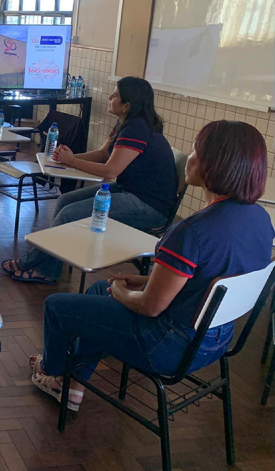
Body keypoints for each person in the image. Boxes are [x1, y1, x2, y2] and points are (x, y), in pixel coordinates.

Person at [30, 120, 273, 411]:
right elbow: (208, 281)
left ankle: (52, 370)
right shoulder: (261, 220)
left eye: (195, 151)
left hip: (167, 346)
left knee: (56, 307)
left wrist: (121, 291)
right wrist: (148, 281)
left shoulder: (191, 232)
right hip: (216, 340)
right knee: (98, 291)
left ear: (214, 164)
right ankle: (72, 387)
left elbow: (150, 307)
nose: (189, 158)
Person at [3, 76, 178, 284]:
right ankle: (49, 268)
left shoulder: (136, 129)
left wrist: (72, 161)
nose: (110, 98)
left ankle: (30, 263)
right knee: (64, 201)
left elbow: (110, 170)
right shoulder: (126, 123)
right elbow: (104, 154)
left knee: (69, 214)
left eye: (115, 96)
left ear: (127, 106)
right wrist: (68, 159)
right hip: (131, 191)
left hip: (149, 206)